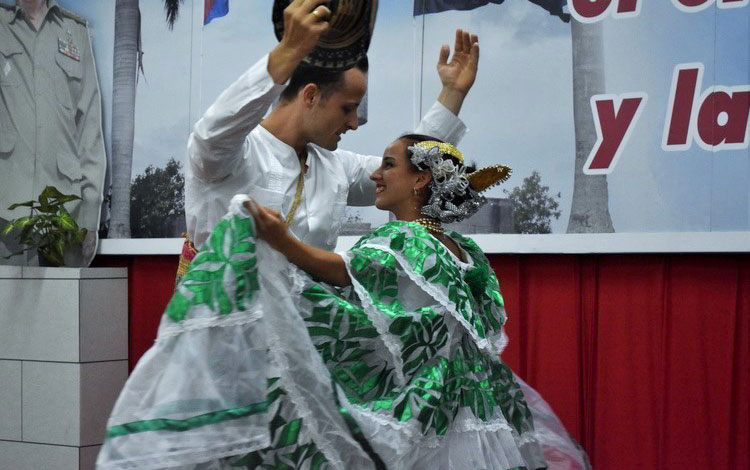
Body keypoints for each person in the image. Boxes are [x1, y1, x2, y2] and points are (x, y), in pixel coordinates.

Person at [98, 137, 590, 469]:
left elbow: (342, 272)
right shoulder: (465, 249)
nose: (376, 175)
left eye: (389, 166)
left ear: (421, 181)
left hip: (434, 406)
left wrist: (277, 245)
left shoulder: (405, 238)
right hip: (484, 404)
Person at [182, 0, 480, 274]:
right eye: (347, 108)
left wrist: (452, 94)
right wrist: (287, 52)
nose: (354, 123)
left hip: (307, 332)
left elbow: (410, 166)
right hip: (224, 328)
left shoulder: (336, 167)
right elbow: (213, 132)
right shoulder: (227, 155)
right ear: (310, 95)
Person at [0, 0, 105, 266]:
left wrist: (90, 217)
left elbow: (89, 128)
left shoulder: (75, 31)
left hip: (64, 216)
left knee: (59, 306)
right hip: (4, 209)